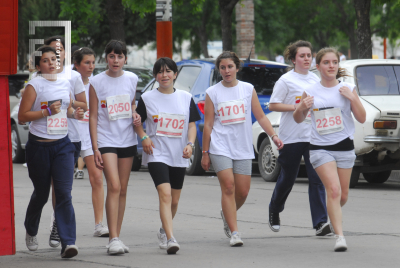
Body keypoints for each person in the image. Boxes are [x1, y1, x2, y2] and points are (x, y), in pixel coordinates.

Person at [201, 51, 284, 247]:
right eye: (223, 67)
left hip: (242, 146)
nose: (227, 71)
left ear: (237, 68)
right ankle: (235, 232)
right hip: (220, 146)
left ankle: (226, 213)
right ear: (219, 70)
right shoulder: (212, 92)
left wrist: (273, 136)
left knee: (243, 192)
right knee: (228, 186)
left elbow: (261, 117)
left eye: (230, 66)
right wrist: (205, 152)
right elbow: (208, 124)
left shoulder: (248, 89)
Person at [293, 47, 366, 251]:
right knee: (333, 190)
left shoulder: (348, 88)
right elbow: (298, 119)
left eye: (334, 62)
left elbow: (361, 117)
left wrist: (351, 99)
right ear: (318, 67)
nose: (331, 66)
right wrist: (301, 107)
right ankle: (340, 237)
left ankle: (331, 214)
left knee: (342, 196)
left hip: (344, 148)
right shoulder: (311, 91)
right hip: (319, 148)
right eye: (326, 62)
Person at [19, 45, 84, 258]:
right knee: (42, 194)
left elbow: (67, 110)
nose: (51, 63)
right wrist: (46, 111)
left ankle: (68, 243)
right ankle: (31, 229)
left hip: (63, 145)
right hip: (39, 146)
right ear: (38, 66)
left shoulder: (65, 84)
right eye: (46, 60)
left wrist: (75, 114)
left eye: (54, 59)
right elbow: (22, 116)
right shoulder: (34, 85)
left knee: (64, 194)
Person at [134, 57, 201, 254]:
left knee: (174, 201)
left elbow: (191, 126)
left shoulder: (186, 97)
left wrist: (190, 144)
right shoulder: (147, 98)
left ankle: (164, 229)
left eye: (168, 71)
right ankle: (171, 238)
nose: (164, 75)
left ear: (175, 74)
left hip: (179, 155)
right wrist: (144, 137)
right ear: (155, 76)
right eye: (160, 72)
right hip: (157, 154)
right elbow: (137, 122)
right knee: (165, 194)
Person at [267, 40, 330, 236]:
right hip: (291, 136)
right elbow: (273, 105)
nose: (306, 59)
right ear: (293, 59)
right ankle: (275, 209)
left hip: (313, 136)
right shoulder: (286, 80)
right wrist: (297, 106)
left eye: (309, 55)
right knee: (288, 178)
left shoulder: (316, 80)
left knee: (317, 178)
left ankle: (320, 223)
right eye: (302, 56)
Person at [89, 40, 141, 255]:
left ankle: (116, 235)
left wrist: (135, 113)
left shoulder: (132, 78)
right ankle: (113, 239)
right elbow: (92, 116)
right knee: (115, 186)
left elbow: (131, 104)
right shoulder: (96, 82)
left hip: (127, 139)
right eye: (112, 56)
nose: (116, 60)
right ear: (106, 58)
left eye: (119, 57)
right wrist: (95, 147)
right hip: (106, 139)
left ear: (125, 59)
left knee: (123, 189)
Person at [41, 36, 88, 249]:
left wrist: (67, 103)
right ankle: (57, 223)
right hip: (49, 136)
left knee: (64, 189)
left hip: (71, 137)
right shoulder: (39, 77)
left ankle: (60, 230)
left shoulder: (74, 76)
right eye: (53, 50)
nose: (56, 54)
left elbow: (84, 104)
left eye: (60, 50)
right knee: (55, 187)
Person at [74, 47, 109, 237]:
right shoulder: (69, 82)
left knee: (96, 178)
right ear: (77, 64)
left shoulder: (96, 84)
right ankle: (57, 222)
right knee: (61, 184)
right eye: (87, 63)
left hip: (89, 137)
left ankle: (99, 224)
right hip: (69, 135)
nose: (91, 66)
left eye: (93, 62)